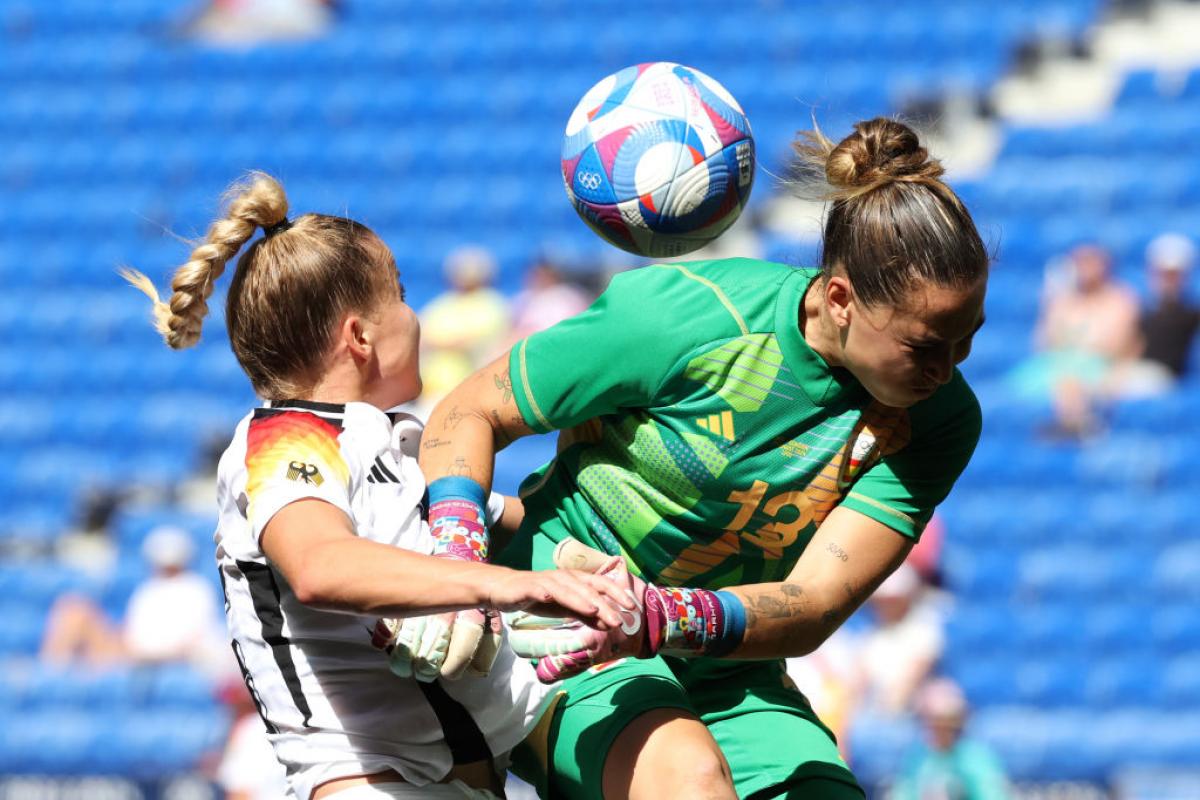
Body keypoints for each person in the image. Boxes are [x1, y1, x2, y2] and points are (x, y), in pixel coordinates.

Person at [413, 118, 989, 799]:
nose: (951, 368)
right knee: (690, 782)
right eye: (927, 346)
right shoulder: (682, 317)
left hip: (722, 666)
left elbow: (813, 602)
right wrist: (454, 567)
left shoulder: (943, 420)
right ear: (840, 301)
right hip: (561, 619)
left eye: (967, 338)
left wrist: (658, 619)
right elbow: (466, 411)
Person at [121, 173, 628, 800]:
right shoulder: (284, 439)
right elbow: (319, 563)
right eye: (404, 296)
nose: (416, 318)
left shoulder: (393, 445)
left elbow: (518, 523)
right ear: (360, 336)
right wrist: (505, 584)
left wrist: (608, 549)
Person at [40, 524, 226, 671]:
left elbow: (191, 640)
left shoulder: (195, 588)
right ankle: (52, 674)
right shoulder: (149, 589)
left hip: (154, 657)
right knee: (73, 609)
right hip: (136, 651)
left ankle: (53, 675)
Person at [1008, 244, 1140, 438]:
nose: (1084, 268)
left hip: (1101, 366)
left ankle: (1075, 427)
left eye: (1090, 262)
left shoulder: (1120, 298)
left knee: (1070, 383)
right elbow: (1044, 343)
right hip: (1059, 364)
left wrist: (1077, 345)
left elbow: (1115, 345)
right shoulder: (1063, 300)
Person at [419, 245, 513, 409]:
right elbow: (419, 334)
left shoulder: (490, 302)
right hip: (430, 391)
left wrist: (438, 342)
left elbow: (470, 341)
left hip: (467, 390)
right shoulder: (445, 302)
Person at [893, 678, 1011, 800]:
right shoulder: (917, 756)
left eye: (946, 723)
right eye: (933, 721)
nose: (939, 729)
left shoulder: (975, 758)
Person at [1138, 232, 1199, 380]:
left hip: (1165, 378)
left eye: (1174, 274)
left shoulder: (1192, 313)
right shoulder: (1138, 309)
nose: (1168, 280)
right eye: (1163, 274)